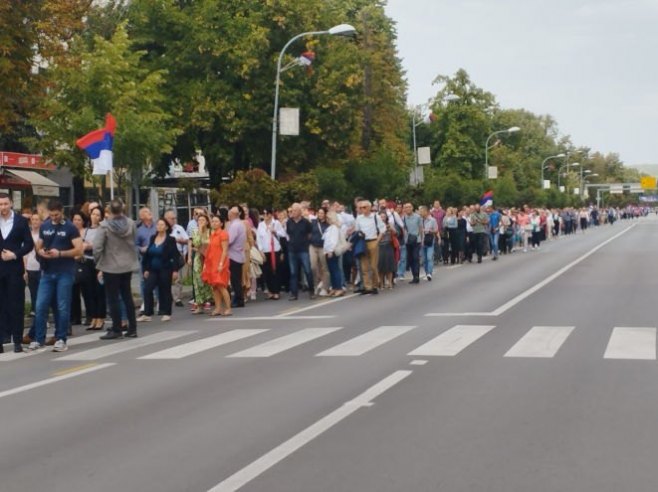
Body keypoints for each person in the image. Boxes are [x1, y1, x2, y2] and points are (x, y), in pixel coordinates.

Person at [30, 199, 82, 352]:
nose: (54, 218)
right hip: (47, 272)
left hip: (65, 271)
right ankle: (39, 339)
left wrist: (60, 253)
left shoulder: (70, 228)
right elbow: (38, 244)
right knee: (40, 305)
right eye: (52, 215)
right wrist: (40, 251)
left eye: (56, 215)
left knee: (62, 306)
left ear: (62, 212)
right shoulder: (45, 225)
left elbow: (78, 250)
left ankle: (61, 338)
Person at [93, 199, 139, 339]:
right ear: (122, 210)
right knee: (127, 296)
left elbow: (97, 247)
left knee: (113, 298)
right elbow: (134, 240)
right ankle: (132, 328)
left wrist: (98, 262)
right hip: (127, 264)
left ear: (110, 211)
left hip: (110, 265)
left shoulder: (104, 226)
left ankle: (117, 328)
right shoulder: (131, 224)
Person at [0, 193, 34, 353]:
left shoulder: (20, 221)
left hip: (14, 269)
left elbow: (29, 244)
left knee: (16, 305)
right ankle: (2, 339)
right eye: (0, 205)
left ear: (11, 204)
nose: (3, 207)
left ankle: (18, 340)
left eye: (5, 204)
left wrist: (14, 254)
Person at [138, 218, 179, 322]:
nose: (159, 226)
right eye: (158, 225)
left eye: (162, 225)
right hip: (152, 269)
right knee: (147, 289)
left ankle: (166, 312)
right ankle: (147, 313)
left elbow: (175, 256)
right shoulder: (153, 238)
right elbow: (148, 255)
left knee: (165, 290)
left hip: (165, 269)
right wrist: (146, 269)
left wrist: (175, 270)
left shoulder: (170, 240)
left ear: (166, 227)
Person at [202, 213, 231, 316]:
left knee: (221, 285)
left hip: (220, 263)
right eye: (213, 221)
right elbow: (209, 251)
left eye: (216, 221)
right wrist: (206, 264)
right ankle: (218, 308)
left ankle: (228, 308)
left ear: (221, 223)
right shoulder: (212, 234)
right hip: (212, 263)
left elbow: (224, 250)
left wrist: (221, 263)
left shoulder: (223, 234)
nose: (214, 223)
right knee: (214, 287)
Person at [286, 203, 315, 301]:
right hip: (292, 250)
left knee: (307, 270)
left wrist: (305, 243)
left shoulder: (306, 222)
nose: (292, 213)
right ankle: (294, 293)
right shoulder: (289, 222)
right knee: (293, 272)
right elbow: (288, 233)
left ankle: (312, 291)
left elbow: (310, 234)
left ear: (299, 211)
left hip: (303, 250)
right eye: (291, 211)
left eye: (294, 211)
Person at [355, 200, 385, 293]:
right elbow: (357, 230)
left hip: (373, 241)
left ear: (369, 207)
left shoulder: (375, 217)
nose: (362, 209)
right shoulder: (359, 218)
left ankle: (375, 285)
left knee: (373, 266)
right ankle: (368, 286)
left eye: (364, 207)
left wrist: (377, 241)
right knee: (364, 266)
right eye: (360, 208)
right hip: (363, 242)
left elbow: (382, 229)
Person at [257, 208, 286, 300]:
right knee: (267, 271)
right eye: (264, 214)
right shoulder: (260, 225)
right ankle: (270, 290)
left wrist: (275, 231)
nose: (265, 216)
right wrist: (261, 251)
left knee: (275, 271)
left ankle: (276, 291)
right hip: (265, 250)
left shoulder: (276, 223)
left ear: (270, 215)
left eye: (266, 214)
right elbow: (258, 239)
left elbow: (283, 234)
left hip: (275, 250)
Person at [85, 207, 106, 330]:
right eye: (93, 214)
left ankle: (101, 317)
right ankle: (93, 316)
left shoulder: (102, 230)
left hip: (99, 262)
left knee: (99, 291)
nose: (95, 217)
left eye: (98, 215)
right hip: (87, 261)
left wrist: (89, 245)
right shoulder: (87, 229)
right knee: (90, 291)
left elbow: (100, 246)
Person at [187, 212, 212, 314]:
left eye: (203, 220)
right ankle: (200, 304)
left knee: (210, 281)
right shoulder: (195, 231)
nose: (201, 222)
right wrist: (200, 231)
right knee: (198, 280)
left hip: (209, 258)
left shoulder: (210, 231)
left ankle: (212, 300)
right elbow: (196, 243)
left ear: (207, 222)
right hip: (198, 258)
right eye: (199, 221)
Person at [164, 208, 189, 307]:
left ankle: (177, 298)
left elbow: (187, 240)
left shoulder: (179, 228)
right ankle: (167, 297)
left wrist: (180, 241)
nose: (174, 220)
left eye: (175, 218)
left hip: (176, 254)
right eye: (171, 218)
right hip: (164, 255)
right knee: (165, 277)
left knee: (176, 277)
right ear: (166, 218)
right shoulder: (162, 227)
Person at [227, 206, 246, 307]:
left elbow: (229, 240)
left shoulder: (235, 225)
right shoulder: (240, 224)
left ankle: (239, 300)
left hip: (234, 255)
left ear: (232, 214)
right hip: (238, 255)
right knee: (237, 279)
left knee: (235, 280)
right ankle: (239, 299)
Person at [323, 211, 345, 297]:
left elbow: (333, 241)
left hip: (332, 251)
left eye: (328, 218)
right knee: (331, 270)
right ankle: (334, 287)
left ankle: (339, 288)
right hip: (328, 251)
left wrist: (330, 250)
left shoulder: (335, 228)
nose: (327, 220)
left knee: (335, 269)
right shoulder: (330, 227)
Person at [310, 207, 330, 296]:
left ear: (325, 214)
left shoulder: (328, 224)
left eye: (322, 213)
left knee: (324, 267)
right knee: (313, 266)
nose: (320, 215)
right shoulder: (313, 222)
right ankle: (315, 285)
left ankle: (325, 287)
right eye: (319, 213)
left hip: (323, 247)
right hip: (313, 246)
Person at [401, 202, 422, 284]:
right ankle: (414, 275)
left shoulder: (417, 217)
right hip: (408, 240)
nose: (408, 209)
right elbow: (404, 228)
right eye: (406, 207)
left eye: (409, 207)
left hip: (416, 240)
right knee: (410, 258)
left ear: (412, 208)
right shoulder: (404, 218)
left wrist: (421, 238)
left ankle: (417, 275)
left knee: (416, 257)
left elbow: (420, 228)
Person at [377, 210, 397, 289]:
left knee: (389, 265)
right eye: (381, 217)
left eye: (384, 217)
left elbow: (396, 233)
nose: (382, 218)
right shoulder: (376, 226)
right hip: (379, 246)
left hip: (388, 245)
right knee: (380, 266)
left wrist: (391, 228)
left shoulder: (389, 224)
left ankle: (390, 282)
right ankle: (381, 283)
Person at [419, 206, 438, 281]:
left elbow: (436, 230)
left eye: (422, 211)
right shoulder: (420, 220)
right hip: (421, 240)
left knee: (429, 257)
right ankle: (427, 273)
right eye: (420, 211)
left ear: (426, 212)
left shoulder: (432, 220)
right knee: (424, 259)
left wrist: (430, 231)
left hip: (429, 240)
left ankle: (429, 273)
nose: (420, 212)